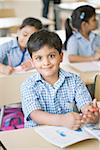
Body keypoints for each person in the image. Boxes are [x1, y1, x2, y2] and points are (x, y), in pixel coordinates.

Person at [21, 30, 99, 129]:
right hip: (38, 135)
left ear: (61, 57)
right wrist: (62, 120)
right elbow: (35, 114)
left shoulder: (75, 80)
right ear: (32, 61)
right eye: (39, 58)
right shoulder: (28, 85)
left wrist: (90, 114)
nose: (46, 63)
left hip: (69, 135)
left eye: (51, 56)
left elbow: (85, 104)